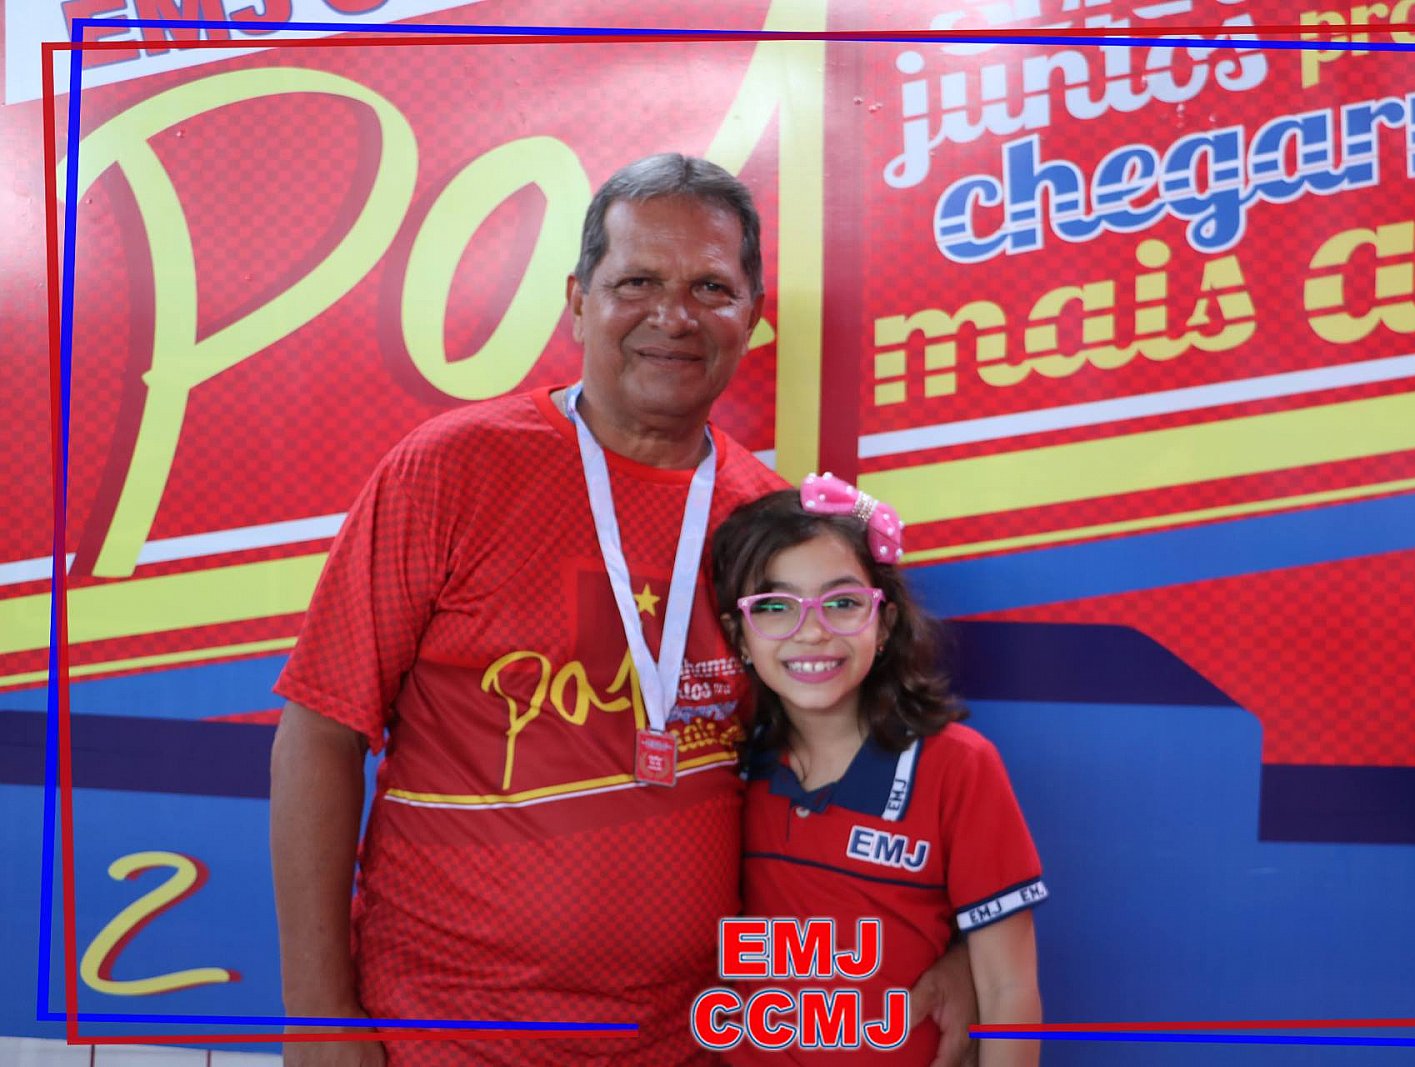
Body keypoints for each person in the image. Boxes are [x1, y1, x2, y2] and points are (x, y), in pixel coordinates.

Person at [269, 154, 975, 1066]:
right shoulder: (449, 469)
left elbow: (852, 762)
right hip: (444, 1029)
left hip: (691, 1039)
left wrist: (954, 941)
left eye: (710, 288)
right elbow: (321, 731)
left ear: (752, 316)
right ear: (578, 301)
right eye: (637, 281)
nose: (673, 316)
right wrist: (318, 1014)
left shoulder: (772, 528)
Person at [711, 476, 1045, 1065]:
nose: (812, 630)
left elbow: (1007, 989)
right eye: (775, 606)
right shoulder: (726, 764)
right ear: (739, 636)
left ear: (884, 624)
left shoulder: (958, 767)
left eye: (842, 603)